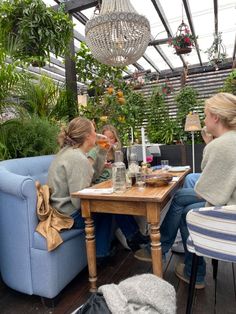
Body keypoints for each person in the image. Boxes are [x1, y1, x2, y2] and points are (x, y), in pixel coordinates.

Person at [161, 92, 236, 288]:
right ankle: (176, 256)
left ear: (216, 117)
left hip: (229, 215)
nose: (204, 119)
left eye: (205, 114)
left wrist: (210, 144)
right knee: (185, 205)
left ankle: (163, 248)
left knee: (181, 202)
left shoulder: (220, 145)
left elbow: (206, 191)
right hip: (231, 205)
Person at [48, 117, 149, 262]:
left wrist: (102, 151)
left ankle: (111, 248)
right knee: (109, 207)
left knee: (109, 204)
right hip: (67, 216)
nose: (97, 134)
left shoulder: (70, 152)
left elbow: (92, 175)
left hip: (60, 209)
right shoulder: (77, 158)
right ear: (88, 136)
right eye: (94, 131)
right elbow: (79, 201)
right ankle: (111, 249)